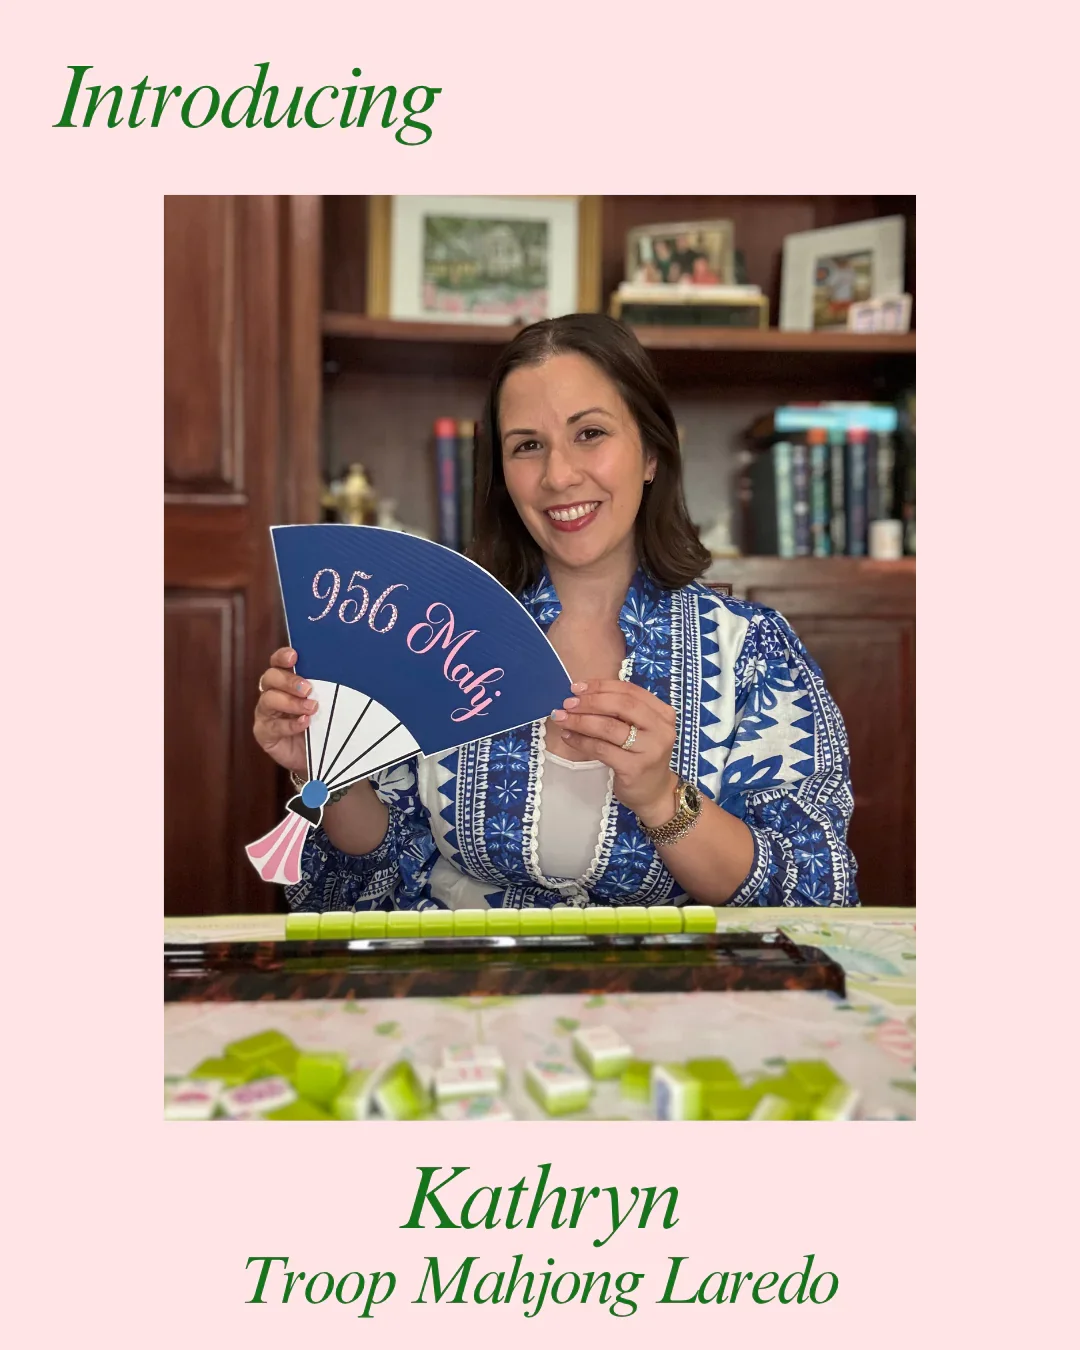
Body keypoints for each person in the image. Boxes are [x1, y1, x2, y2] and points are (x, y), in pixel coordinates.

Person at [253, 314, 859, 911]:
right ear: (502, 477)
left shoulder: (751, 649)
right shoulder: (429, 631)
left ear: (651, 454)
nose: (559, 475)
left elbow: (816, 892)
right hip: (468, 987)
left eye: (590, 433)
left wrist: (659, 798)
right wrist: (329, 772)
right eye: (528, 446)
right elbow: (374, 871)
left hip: (664, 995)